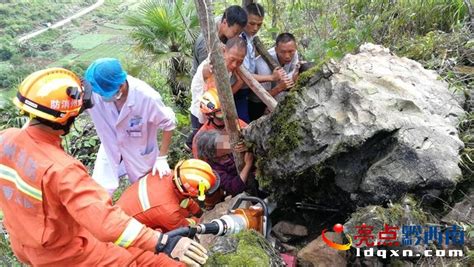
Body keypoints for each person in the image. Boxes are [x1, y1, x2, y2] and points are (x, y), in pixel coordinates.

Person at [0, 68, 207, 266]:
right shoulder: (62, 170)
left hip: (31, 246)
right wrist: (163, 242)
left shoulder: (6, 139)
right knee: (141, 261)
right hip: (73, 254)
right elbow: (105, 222)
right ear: (67, 117)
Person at [85, 58, 176, 195]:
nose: (102, 98)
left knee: (146, 189)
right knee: (101, 191)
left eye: (106, 95)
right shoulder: (96, 92)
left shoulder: (146, 97)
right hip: (110, 146)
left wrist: (162, 157)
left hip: (140, 152)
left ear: (121, 86)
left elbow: (169, 124)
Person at [116, 159, 220, 232]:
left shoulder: (167, 174)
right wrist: (200, 220)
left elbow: (184, 198)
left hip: (129, 208)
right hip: (124, 228)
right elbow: (184, 227)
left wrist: (198, 212)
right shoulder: (168, 211)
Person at [186, 37, 247, 149]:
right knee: (202, 145)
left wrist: (239, 82)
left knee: (215, 145)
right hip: (201, 113)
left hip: (216, 115)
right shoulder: (212, 65)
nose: (234, 65)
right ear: (224, 51)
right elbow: (208, 69)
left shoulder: (228, 68)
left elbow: (223, 97)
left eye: (239, 62)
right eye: (232, 59)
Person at [249, 32, 300, 121]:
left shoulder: (294, 53)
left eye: (291, 51)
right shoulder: (262, 65)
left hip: (278, 94)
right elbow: (263, 96)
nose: (287, 56)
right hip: (258, 101)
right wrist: (280, 87)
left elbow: (293, 73)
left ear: (295, 48)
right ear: (276, 49)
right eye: (283, 52)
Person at [191, 5, 247, 76]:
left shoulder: (225, 22)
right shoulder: (205, 43)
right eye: (235, 32)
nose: (237, 37)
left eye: (239, 33)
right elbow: (207, 73)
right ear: (224, 22)